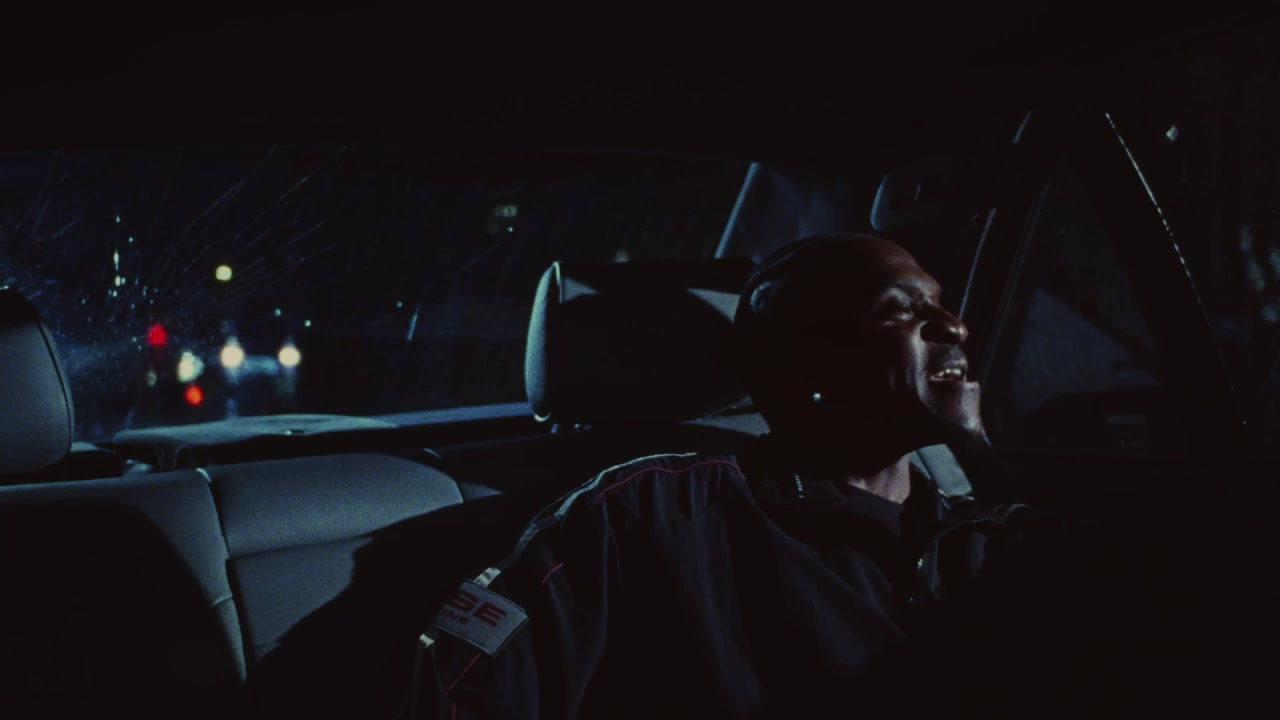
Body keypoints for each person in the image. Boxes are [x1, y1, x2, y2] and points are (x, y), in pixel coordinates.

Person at [405, 233, 1042, 719]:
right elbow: (465, 688)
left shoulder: (989, 537)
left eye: (939, 304)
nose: (955, 326)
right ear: (810, 367)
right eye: (897, 311)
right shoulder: (649, 513)